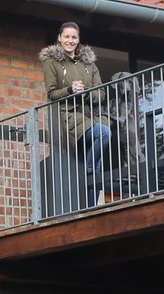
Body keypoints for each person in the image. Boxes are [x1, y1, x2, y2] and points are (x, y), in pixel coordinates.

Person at [39, 19, 112, 204]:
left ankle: (91, 205)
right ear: (59, 38)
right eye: (66, 37)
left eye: (74, 37)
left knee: (99, 163)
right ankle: (88, 171)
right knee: (104, 134)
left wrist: (86, 94)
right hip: (70, 116)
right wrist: (71, 90)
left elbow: (101, 93)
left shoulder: (89, 64)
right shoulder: (52, 63)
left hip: (92, 116)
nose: (70, 41)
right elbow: (52, 93)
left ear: (78, 40)